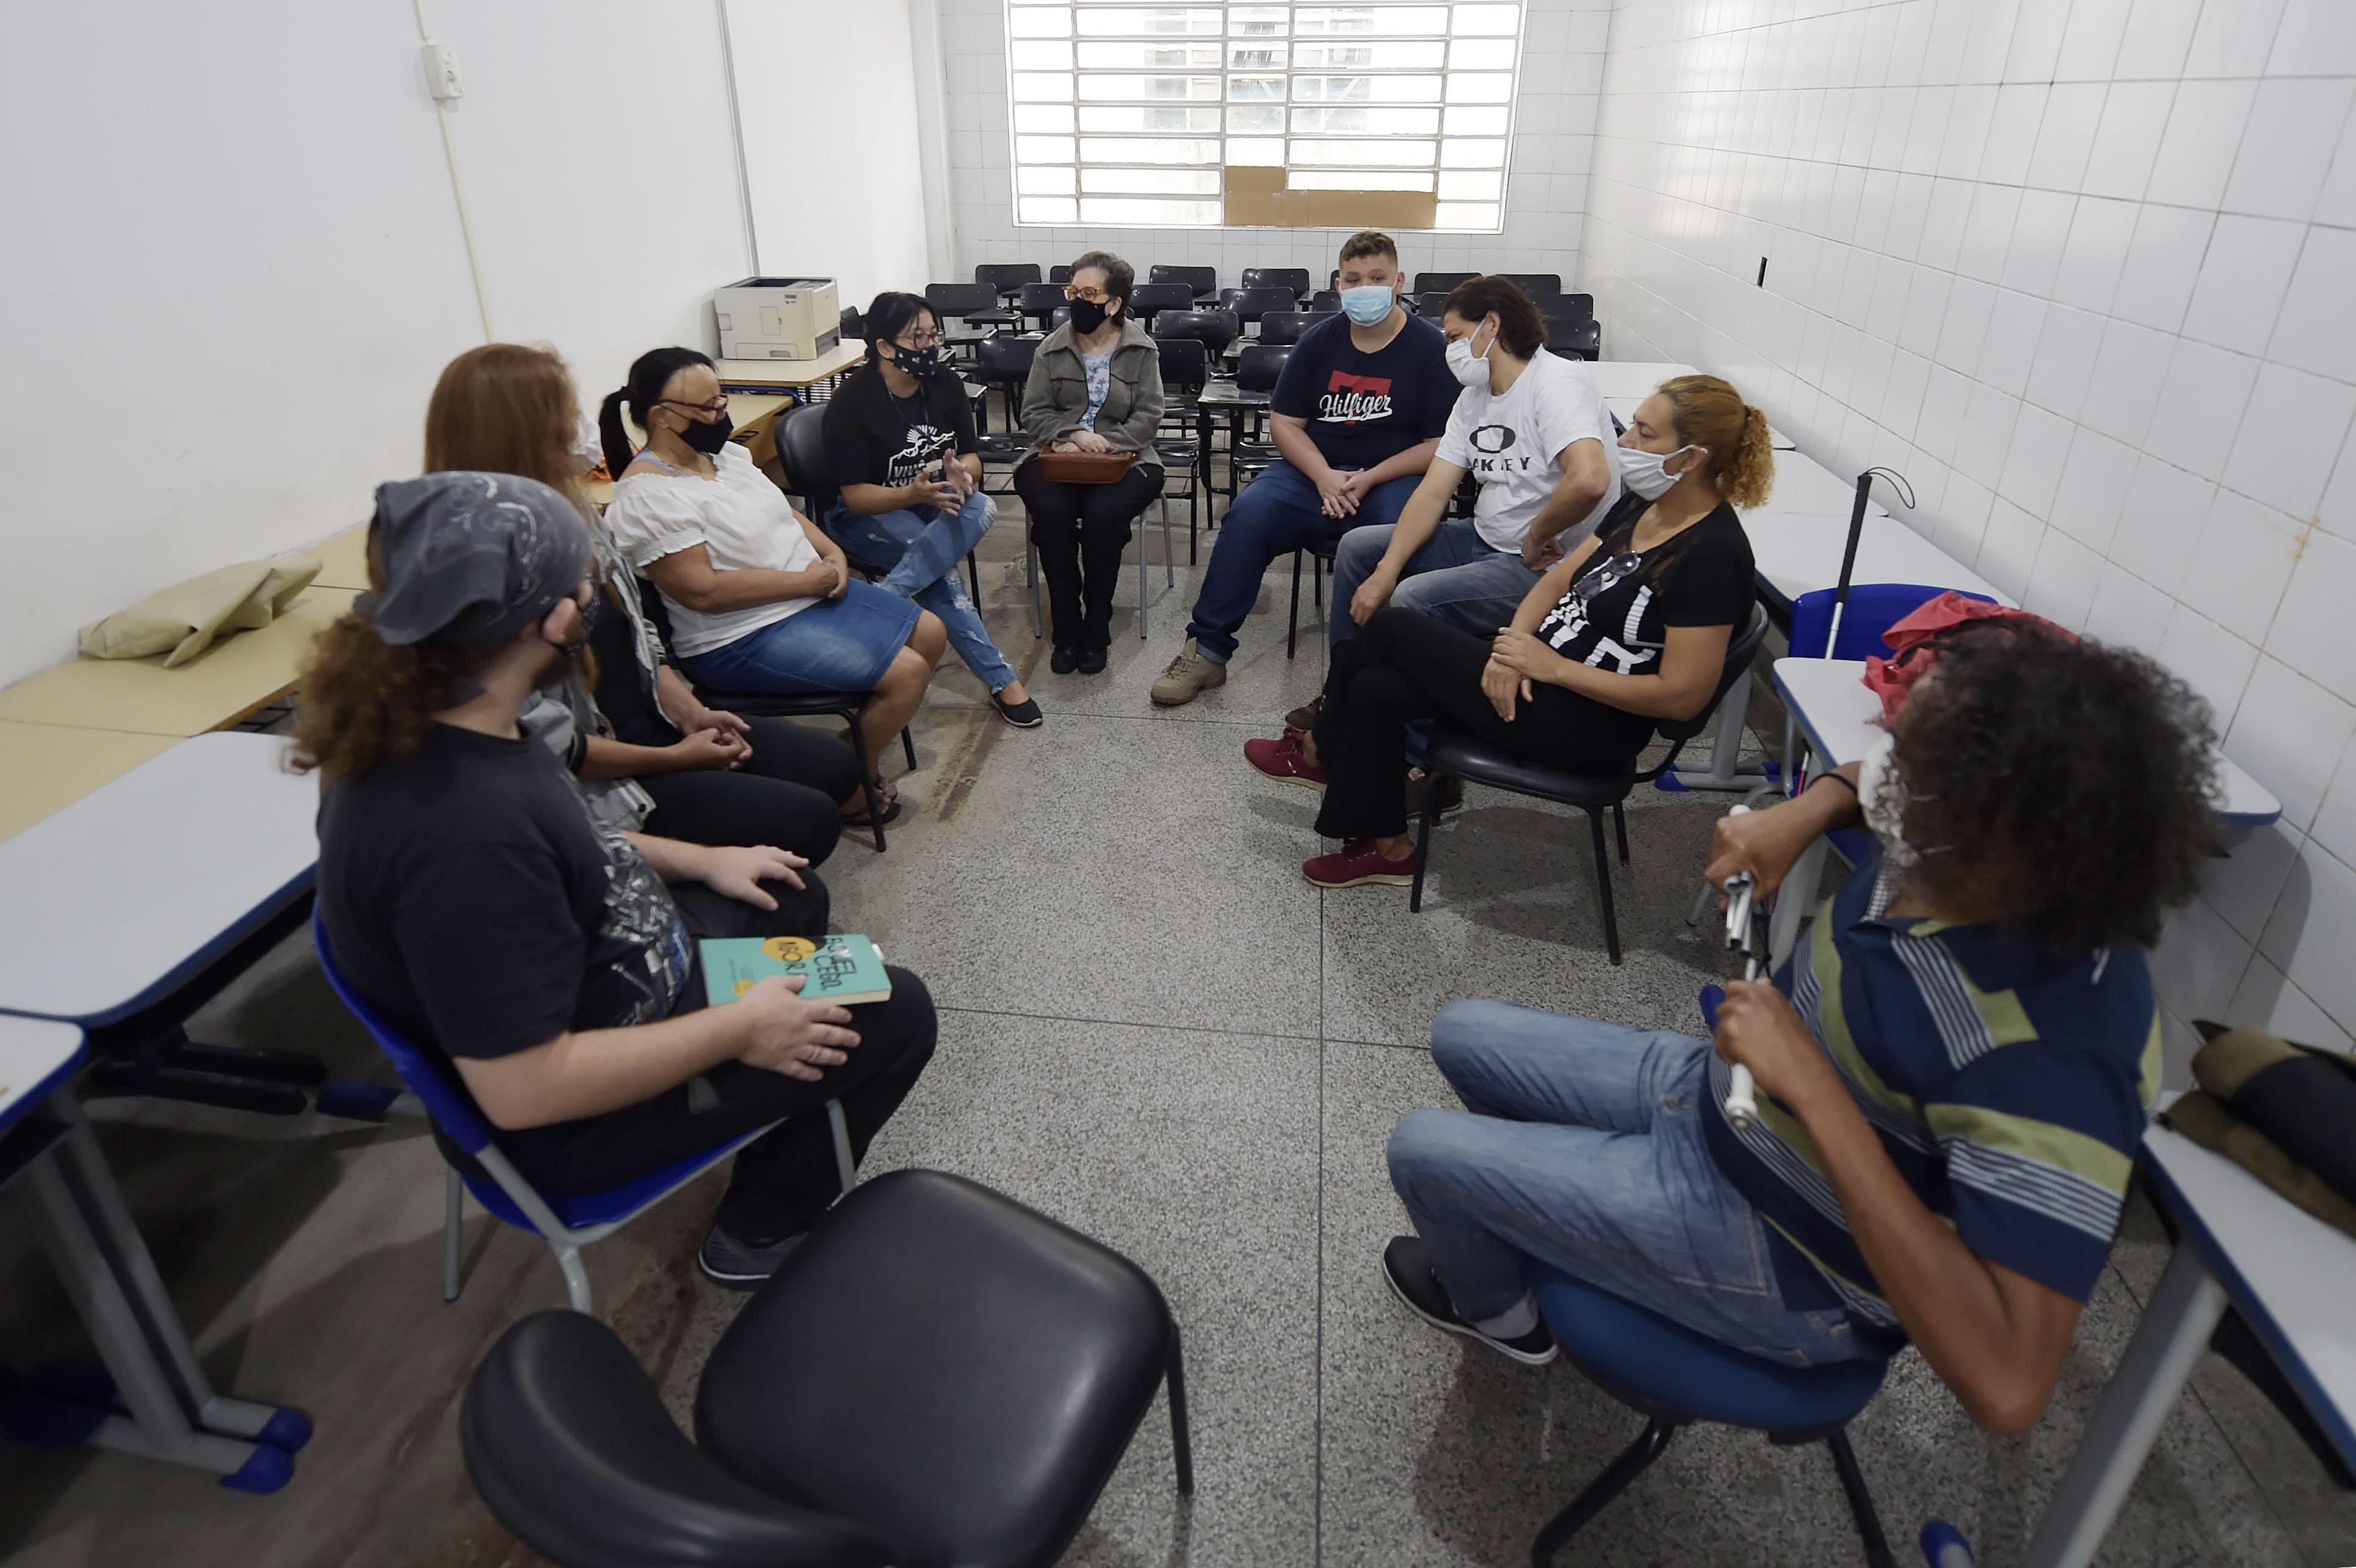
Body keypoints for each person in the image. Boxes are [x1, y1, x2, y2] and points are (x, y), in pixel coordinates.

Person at [1380, 621, 2219, 1440]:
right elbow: (1867, 777)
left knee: (1422, 1148)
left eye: (1909, 774)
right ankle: (1546, 1219)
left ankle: (1504, 1318)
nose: (1888, 786)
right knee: (1460, 1030)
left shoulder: (2054, 1052)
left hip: (1790, 1260)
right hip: (1721, 1104)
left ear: (1993, 829)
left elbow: (2008, 1385)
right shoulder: (1978, 834)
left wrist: (1814, 1091)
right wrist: (1806, 810)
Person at [299, 472, 938, 1288]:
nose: (593, 602)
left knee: (790, 892)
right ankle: (756, 1229)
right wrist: (738, 1032)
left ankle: (768, 1096)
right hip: (581, 1117)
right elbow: (524, 1090)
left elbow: (579, 843)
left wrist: (705, 859)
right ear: (553, 620)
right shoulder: (462, 836)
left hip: (621, 983)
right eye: (583, 587)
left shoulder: (459, 716)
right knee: (897, 1010)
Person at [1247, 375, 1767, 890]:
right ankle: (1386, 845)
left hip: (1591, 722)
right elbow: (1556, 579)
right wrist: (1512, 651)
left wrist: (1553, 668)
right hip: (1538, 674)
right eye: (1631, 425)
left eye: (1644, 434)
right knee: (1377, 687)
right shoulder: (1642, 506)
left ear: (1690, 458)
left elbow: (1681, 697)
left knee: (1390, 626)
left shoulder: (1712, 555)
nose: (1625, 441)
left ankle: (1321, 748)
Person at [422, 343, 868, 856]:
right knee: (809, 822)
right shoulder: (480, 570)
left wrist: (690, 714)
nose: (580, 427)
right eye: (566, 412)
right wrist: (677, 758)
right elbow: (547, 746)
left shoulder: (573, 512)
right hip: (598, 777)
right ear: (516, 433)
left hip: (653, 719)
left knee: (833, 765)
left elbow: (639, 632)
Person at [600, 347, 946, 824]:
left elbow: (786, 513)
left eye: (722, 399)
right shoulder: (648, 497)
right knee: (906, 673)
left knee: (931, 632)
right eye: (708, 406)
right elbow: (702, 591)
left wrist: (832, 554)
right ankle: (852, 782)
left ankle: (842, 756)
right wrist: (805, 581)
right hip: (739, 632)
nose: (720, 413)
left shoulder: (727, 457)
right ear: (662, 416)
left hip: (805, 594)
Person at [1150, 231, 1459, 707]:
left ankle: (1366, 671)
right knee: (1247, 517)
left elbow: (1439, 446)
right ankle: (1207, 650)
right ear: (1338, 285)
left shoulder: (1429, 348)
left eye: (1377, 278)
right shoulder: (1319, 341)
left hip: (1391, 476)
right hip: (1313, 471)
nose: (1365, 288)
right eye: (1353, 279)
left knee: (1392, 538)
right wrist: (1322, 476)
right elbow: (1285, 423)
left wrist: (1369, 477)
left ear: (1398, 282)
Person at [1325, 276, 1617, 661]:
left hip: (1548, 565)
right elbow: (1433, 493)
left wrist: (1537, 535)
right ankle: (1346, 678)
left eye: (1456, 337)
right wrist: (1386, 570)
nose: (1451, 351)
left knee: (1413, 598)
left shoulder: (1556, 383)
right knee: (1358, 548)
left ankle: (1407, 698)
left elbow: (1590, 479)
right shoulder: (1473, 399)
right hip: (1485, 537)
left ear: (1492, 324)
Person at [824, 292, 1039, 728]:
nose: (929, 346)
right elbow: (856, 497)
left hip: (931, 499)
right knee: (941, 577)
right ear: (884, 346)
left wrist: (961, 474)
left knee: (982, 507)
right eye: (916, 337)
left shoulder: (944, 383)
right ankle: (1001, 679)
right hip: (869, 514)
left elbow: (973, 458)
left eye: (932, 335)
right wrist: (913, 495)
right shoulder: (853, 401)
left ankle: (884, 599)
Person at [1011, 251, 1165, 672]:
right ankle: (1066, 628)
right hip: (1055, 454)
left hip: (1128, 458)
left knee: (1103, 518)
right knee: (1052, 516)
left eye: (1088, 294)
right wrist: (1072, 435)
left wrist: (1103, 444)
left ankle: (1096, 623)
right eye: (1073, 292)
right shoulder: (1052, 348)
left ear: (1113, 303)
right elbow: (1033, 412)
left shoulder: (1141, 349)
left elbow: (1148, 416)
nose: (1077, 301)